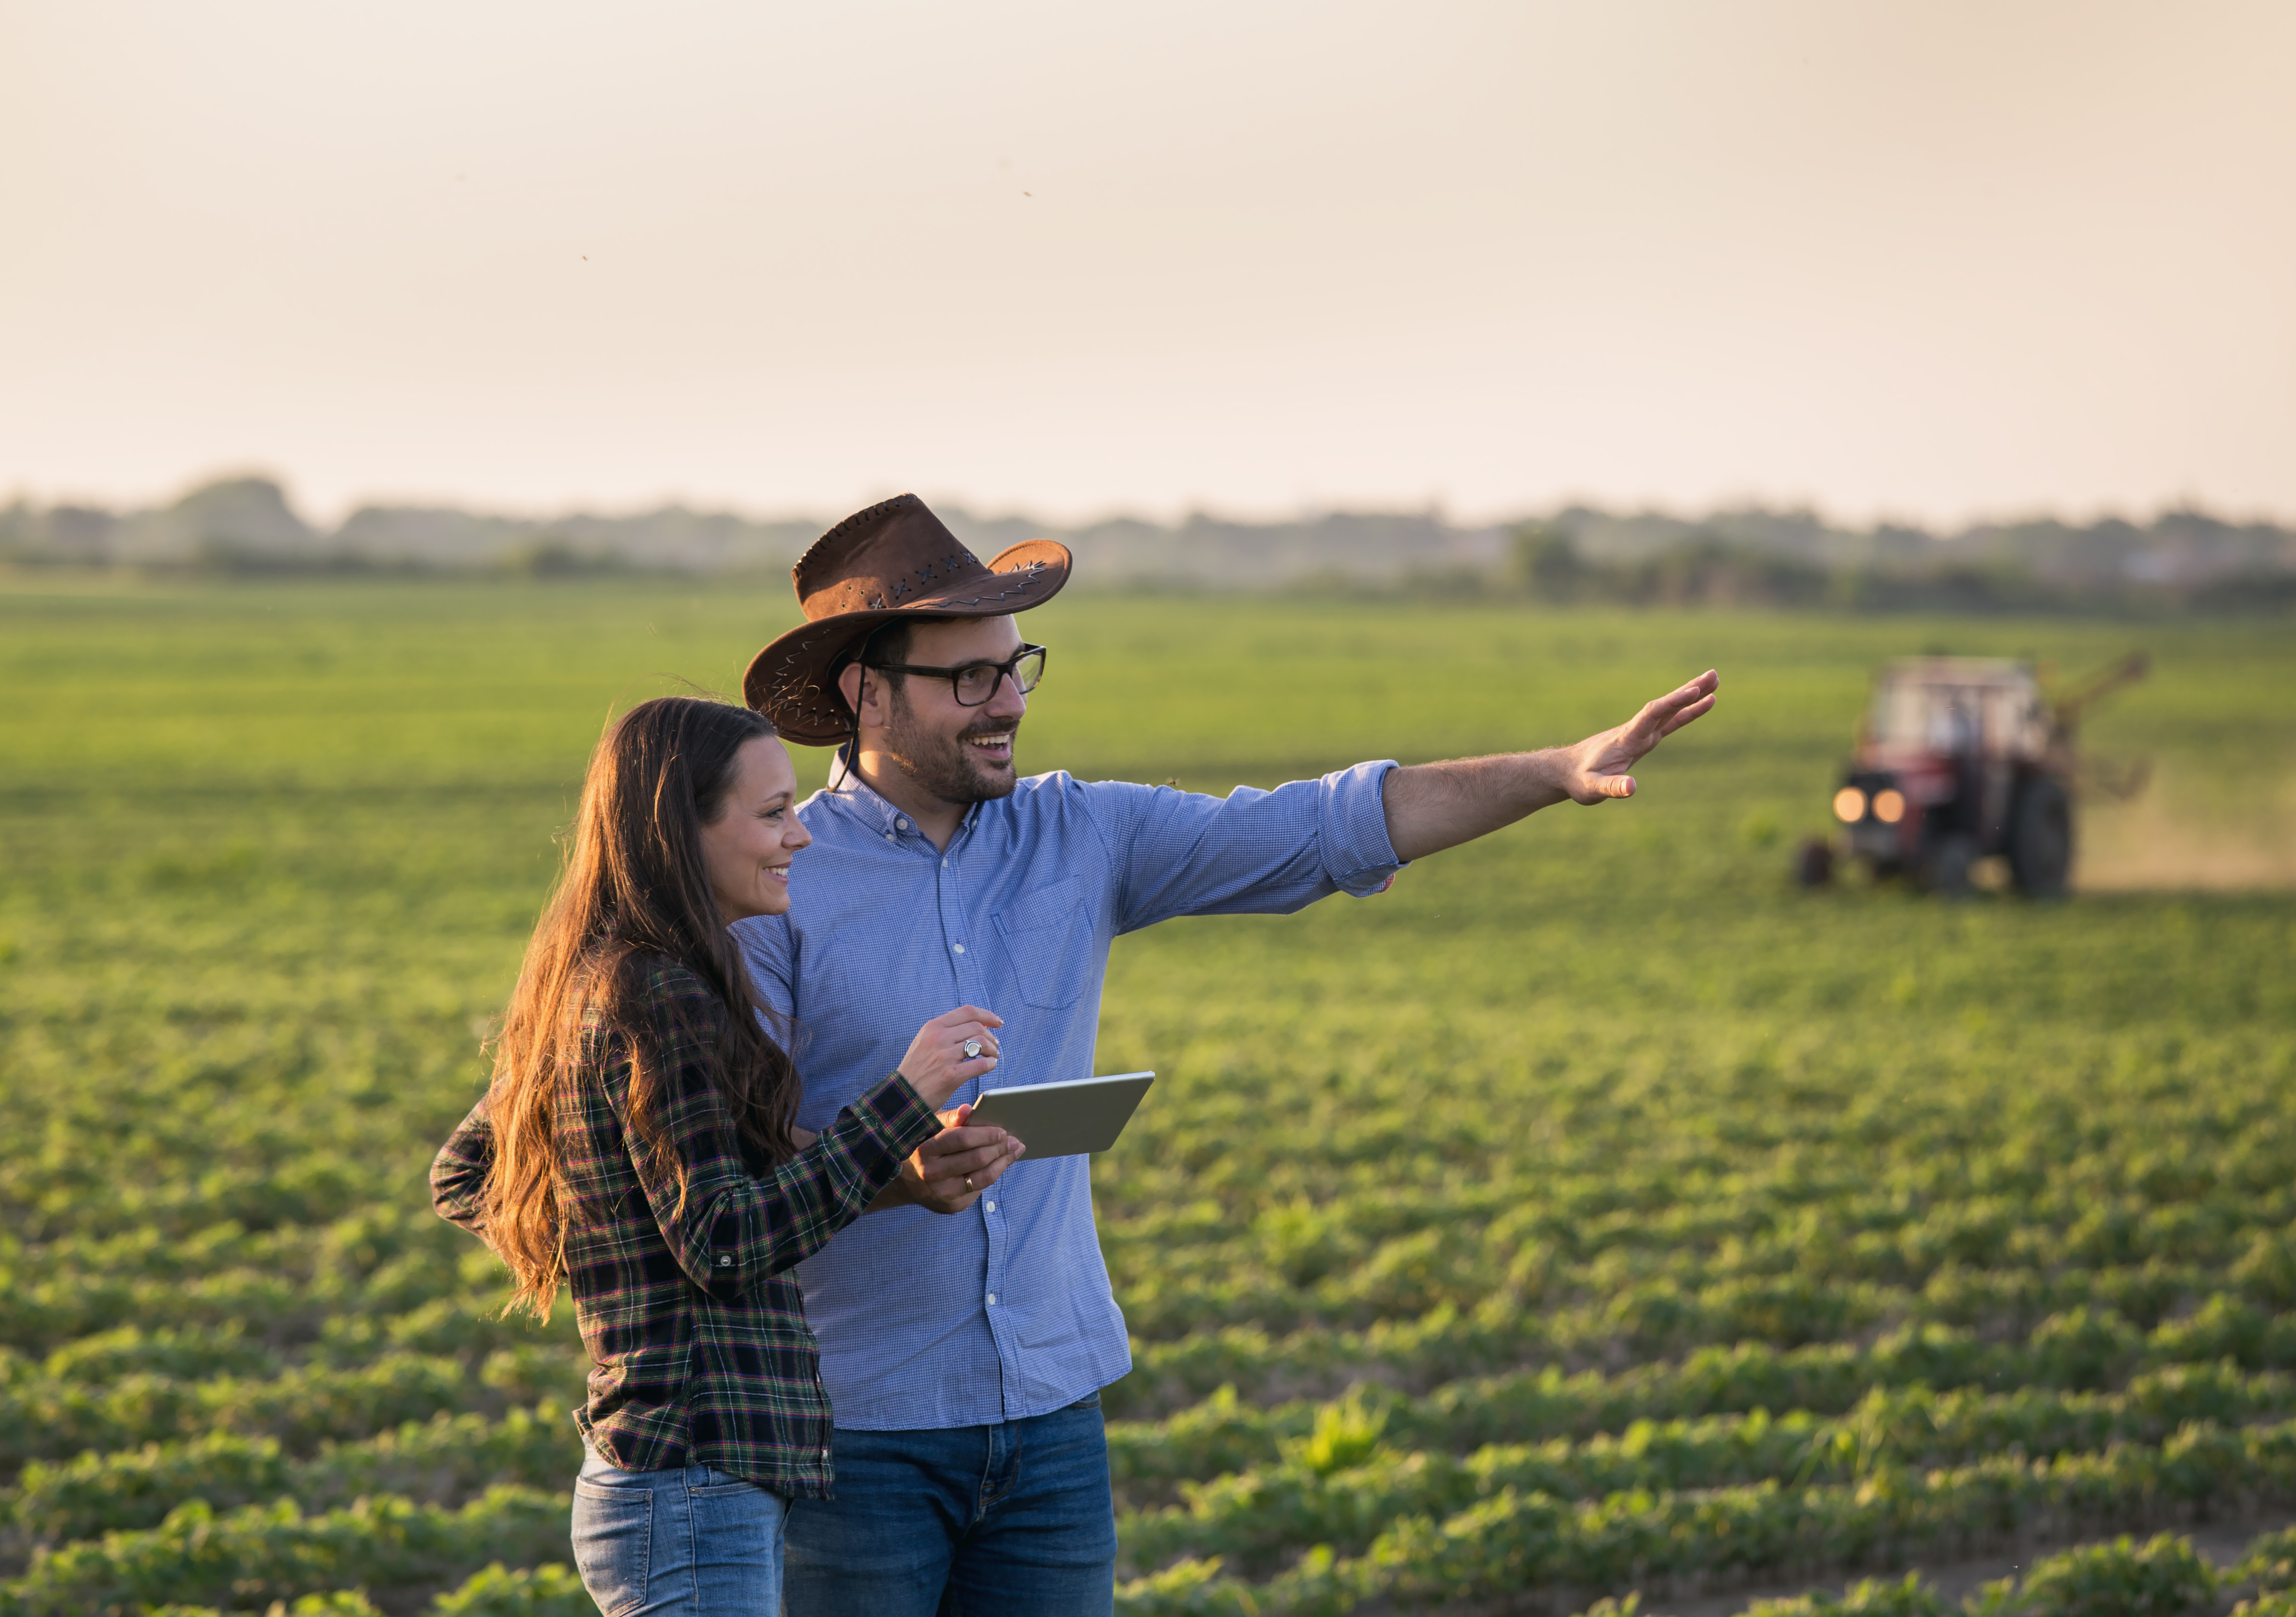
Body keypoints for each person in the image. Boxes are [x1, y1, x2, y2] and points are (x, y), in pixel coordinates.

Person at [735, 494, 1721, 1616]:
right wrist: (890, 1173)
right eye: (968, 677)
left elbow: (1320, 825)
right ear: (867, 691)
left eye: (1017, 667)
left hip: (1052, 1414)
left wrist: (1553, 769)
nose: (1007, 702)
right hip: (855, 1433)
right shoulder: (777, 878)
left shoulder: (1082, 831)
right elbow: (738, 1157)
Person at [428, 695, 1027, 1616]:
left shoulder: (597, 974)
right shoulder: (660, 993)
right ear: (682, 830)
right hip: (691, 1481)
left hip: (663, 1481)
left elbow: (470, 1172)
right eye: (772, 813)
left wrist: (620, 1239)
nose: (801, 838)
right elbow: (723, 1242)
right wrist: (903, 1099)